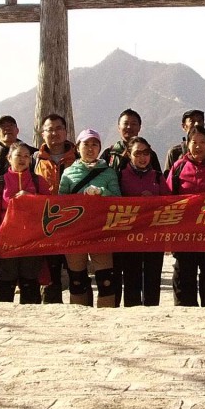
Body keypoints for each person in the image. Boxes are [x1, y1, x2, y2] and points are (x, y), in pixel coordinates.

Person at [167, 125, 205, 307]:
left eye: (203, 142)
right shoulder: (178, 167)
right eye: (194, 142)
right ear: (187, 144)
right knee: (184, 275)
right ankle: (185, 313)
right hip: (184, 233)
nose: (198, 146)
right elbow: (168, 198)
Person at [60, 129, 122, 307]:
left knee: (105, 279)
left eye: (94, 144)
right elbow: (60, 202)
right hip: (75, 232)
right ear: (77, 148)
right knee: (77, 279)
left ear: (100, 148)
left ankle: (105, 314)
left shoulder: (108, 172)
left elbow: (118, 199)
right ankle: (79, 313)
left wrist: (102, 192)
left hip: (101, 231)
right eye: (85, 144)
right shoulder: (68, 173)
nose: (90, 148)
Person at [0, 141, 50, 304]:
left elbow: (50, 207)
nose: (22, 159)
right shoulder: (0, 183)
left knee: (30, 288)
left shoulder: (38, 182)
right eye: (18, 155)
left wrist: (32, 198)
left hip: (32, 244)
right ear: (9, 158)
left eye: (26, 156)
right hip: (6, 244)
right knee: (4, 289)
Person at [117, 136, 167, 306]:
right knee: (131, 278)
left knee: (153, 278)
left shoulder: (157, 176)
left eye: (146, 153)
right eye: (137, 153)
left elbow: (169, 202)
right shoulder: (120, 176)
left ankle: (152, 313)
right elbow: (115, 202)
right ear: (129, 154)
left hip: (154, 236)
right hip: (129, 236)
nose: (142, 157)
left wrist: (154, 201)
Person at [33, 113, 77, 304]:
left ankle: (80, 312)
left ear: (66, 132)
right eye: (49, 129)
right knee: (49, 275)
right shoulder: (34, 159)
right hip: (46, 226)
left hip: (74, 223)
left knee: (77, 272)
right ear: (42, 133)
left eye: (59, 128)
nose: (54, 133)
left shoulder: (78, 157)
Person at [164, 109, 205, 174]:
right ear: (184, 126)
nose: (197, 124)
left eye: (199, 121)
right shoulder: (174, 153)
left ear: (204, 124)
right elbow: (167, 178)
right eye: (192, 121)